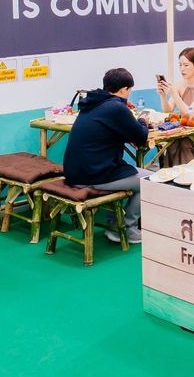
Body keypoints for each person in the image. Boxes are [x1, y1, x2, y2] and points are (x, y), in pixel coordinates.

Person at [63, 67, 149, 245]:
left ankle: (116, 221)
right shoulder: (116, 107)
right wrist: (143, 121)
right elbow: (141, 137)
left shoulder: (91, 104)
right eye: (129, 91)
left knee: (130, 173)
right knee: (150, 181)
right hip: (94, 175)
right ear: (124, 90)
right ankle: (125, 228)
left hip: (74, 172)